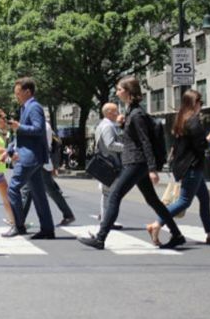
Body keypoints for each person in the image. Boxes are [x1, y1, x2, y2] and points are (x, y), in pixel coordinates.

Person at [78, 76, 185, 250]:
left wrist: (152, 169)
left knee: (114, 195)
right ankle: (177, 235)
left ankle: (100, 238)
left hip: (137, 162)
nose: (117, 92)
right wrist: (123, 125)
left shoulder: (136, 114)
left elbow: (145, 142)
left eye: (119, 89)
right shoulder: (132, 112)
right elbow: (134, 138)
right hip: (136, 162)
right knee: (153, 200)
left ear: (128, 92)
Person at [145, 90, 210, 245]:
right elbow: (200, 145)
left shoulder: (181, 119)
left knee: (204, 199)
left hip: (186, 165)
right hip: (192, 166)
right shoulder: (193, 121)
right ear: (193, 103)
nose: (201, 106)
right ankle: (157, 223)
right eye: (200, 103)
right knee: (184, 201)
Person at [1, 77, 56, 240]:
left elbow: (38, 129)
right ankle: (47, 229)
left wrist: (20, 127)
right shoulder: (25, 108)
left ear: (27, 91)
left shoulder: (34, 107)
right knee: (38, 194)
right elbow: (22, 135)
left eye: (17, 92)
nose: (15, 96)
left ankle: (18, 225)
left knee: (12, 188)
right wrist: (11, 146)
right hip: (31, 156)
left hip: (29, 157)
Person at [20, 119, 76, 227]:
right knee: (47, 190)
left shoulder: (42, 126)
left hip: (39, 162)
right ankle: (68, 215)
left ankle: (18, 220)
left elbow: (42, 145)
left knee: (29, 190)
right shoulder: (43, 125)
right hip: (40, 162)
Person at [93, 102, 124, 229]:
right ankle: (107, 221)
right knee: (111, 193)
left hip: (106, 163)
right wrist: (127, 148)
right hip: (110, 164)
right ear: (109, 113)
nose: (118, 113)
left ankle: (106, 220)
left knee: (107, 193)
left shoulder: (103, 124)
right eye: (116, 111)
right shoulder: (107, 126)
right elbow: (110, 144)